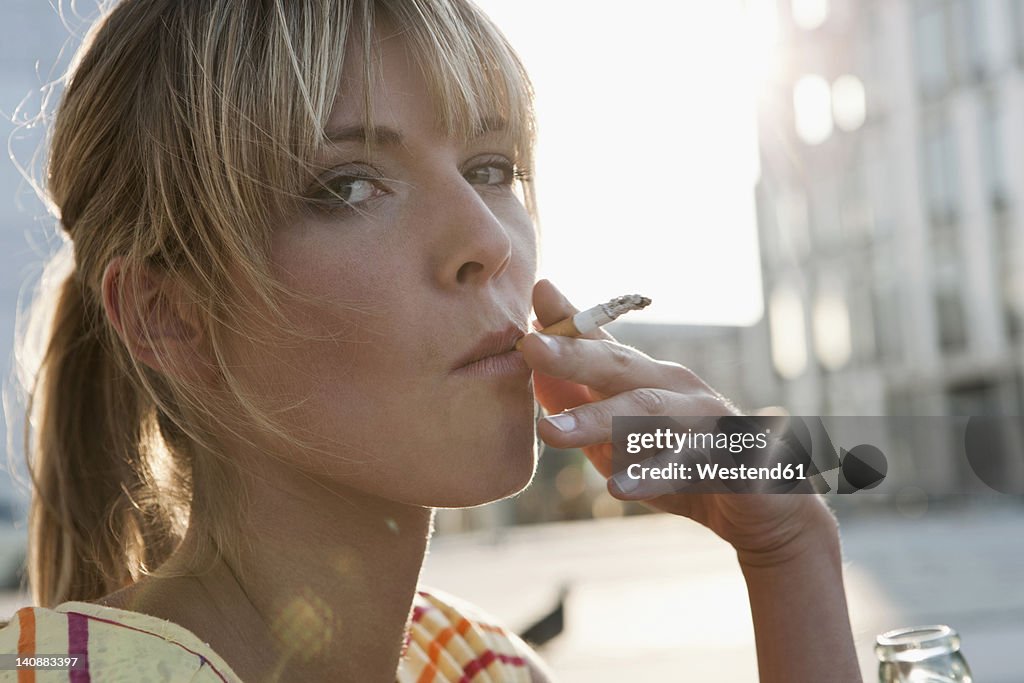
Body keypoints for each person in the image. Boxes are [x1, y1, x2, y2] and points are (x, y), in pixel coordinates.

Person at [0, 1, 861, 681]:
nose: (486, 238)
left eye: (492, 168)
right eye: (346, 186)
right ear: (168, 315)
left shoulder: (485, 665)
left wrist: (789, 550)